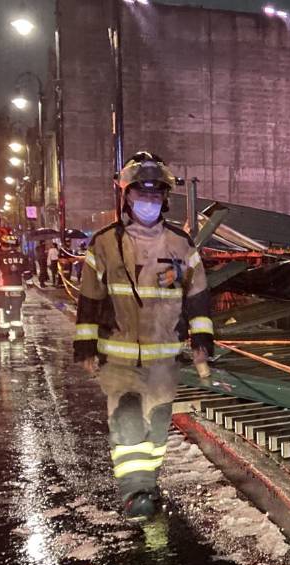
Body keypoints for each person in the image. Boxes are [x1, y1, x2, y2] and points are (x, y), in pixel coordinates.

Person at [73, 151, 213, 522]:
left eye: (155, 195)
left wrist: (202, 342)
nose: (148, 201)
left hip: (164, 358)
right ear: (126, 196)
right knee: (128, 419)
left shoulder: (181, 245)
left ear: (164, 199)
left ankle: (148, 483)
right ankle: (134, 492)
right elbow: (90, 299)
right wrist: (85, 345)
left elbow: (198, 297)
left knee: (158, 424)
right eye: (141, 194)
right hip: (118, 357)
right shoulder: (104, 244)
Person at [0, 234, 32, 340]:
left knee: (3, 309)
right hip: (17, 289)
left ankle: (4, 330)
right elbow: (27, 273)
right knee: (16, 309)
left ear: (3, 245)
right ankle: (18, 329)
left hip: (3, 289)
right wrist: (29, 283)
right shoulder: (23, 257)